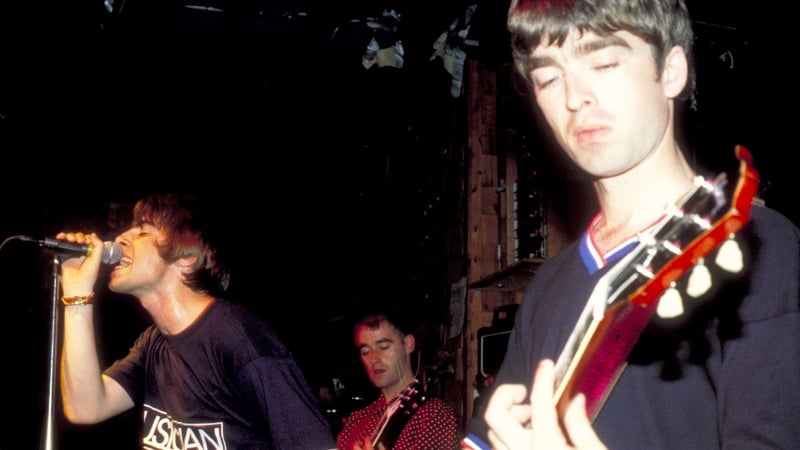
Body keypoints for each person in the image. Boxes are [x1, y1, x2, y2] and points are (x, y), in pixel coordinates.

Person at [462, 0, 800, 449]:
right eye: (547, 77)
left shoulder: (760, 247)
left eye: (602, 63)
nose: (573, 96)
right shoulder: (550, 283)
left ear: (673, 71)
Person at [56, 193, 336, 449]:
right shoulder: (154, 343)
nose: (120, 239)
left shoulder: (238, 338)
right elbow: (86, 408)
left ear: (187, 257)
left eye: (142, 231)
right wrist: (76, 293)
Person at [336, 303, 460, 450]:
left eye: (383, 347)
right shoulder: (355, 422)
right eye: (365, 352)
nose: (373, 359)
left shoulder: (433, 414)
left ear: (408, 344)